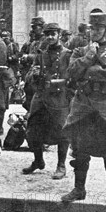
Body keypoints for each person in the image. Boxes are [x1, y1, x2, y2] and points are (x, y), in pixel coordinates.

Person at [61, 12, 106, 206]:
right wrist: (90, 56)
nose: (95, 32)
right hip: (84, 105)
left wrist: (94, 71)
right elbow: (72, 72)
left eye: (99, 29)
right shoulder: (80, 51)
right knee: (80, 148)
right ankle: (79, 189)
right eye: (92, 29)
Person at [22, 23, 71, 180]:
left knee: (62, 131)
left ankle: (61, 166)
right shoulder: (41, 54)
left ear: (59, 35)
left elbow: (72, 78)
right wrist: (33, 75)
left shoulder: (66, 54)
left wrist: (59, 83)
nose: (50, 37)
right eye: (47, 34)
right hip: (41, 97)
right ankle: (38, 160)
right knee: (33, 129)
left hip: (58, 97)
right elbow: (30, 74)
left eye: (53, 34)